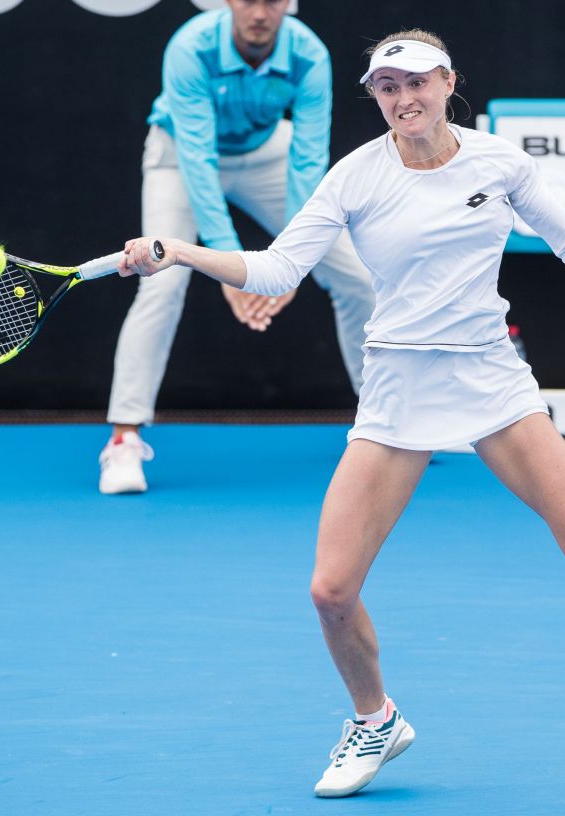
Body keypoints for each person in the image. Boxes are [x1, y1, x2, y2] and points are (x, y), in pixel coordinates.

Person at [118, 30, 565, 816]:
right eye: (387, 88)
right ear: (376, 96)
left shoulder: (499, 162)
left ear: (448, 83)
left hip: (489, 378)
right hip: (398, 386)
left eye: (417, 83)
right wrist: (180, 251)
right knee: (331, 589)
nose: (404, 99)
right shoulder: (355, 176)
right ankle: (377, 720)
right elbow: (275, 269)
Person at [99, 0, 376, 494]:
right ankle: (123, 441)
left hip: (267, 153)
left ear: (288, 4)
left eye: (272, 0)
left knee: (356, 273)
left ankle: (384, 418)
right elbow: (198, 161)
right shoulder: (191, 47)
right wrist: (236, 271)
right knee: (159, 280)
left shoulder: (309, 54)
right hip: (178, 155)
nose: (259, 12)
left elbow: (309, 160)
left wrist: (288, 263)